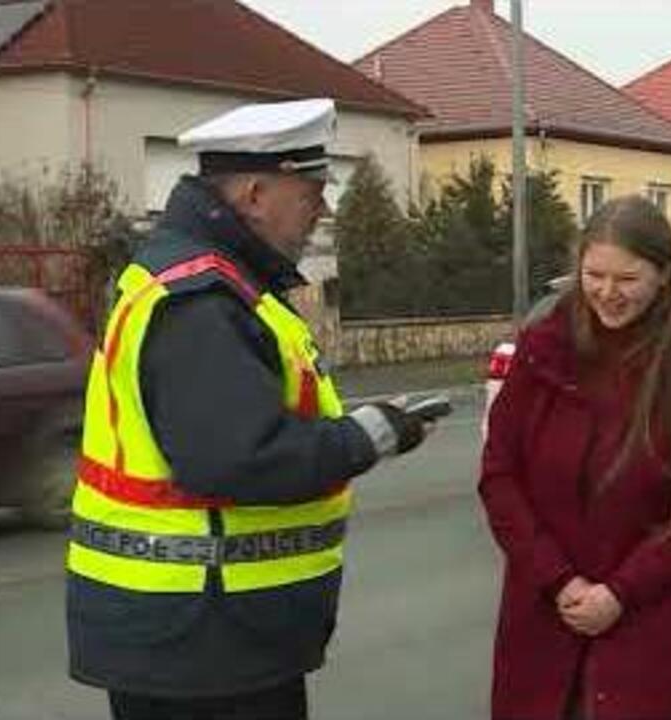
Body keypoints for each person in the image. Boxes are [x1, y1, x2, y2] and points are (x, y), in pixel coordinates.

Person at [65, 98, 432, 720]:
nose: (324, 210)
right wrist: (367, 436)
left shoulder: (213, 281)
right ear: (256, 195)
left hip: (201, 634)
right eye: (312, 192)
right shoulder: (202, 301)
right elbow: (238, 459)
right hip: (203, 640)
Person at [479, 195, 671, 720]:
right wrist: (559, 579)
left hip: (648, 620)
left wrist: (621, 592)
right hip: (544, 612)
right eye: (594, 275)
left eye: (627, 279)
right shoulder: (542, 349)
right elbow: (500, 474)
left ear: (664, 276)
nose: (607, 292)